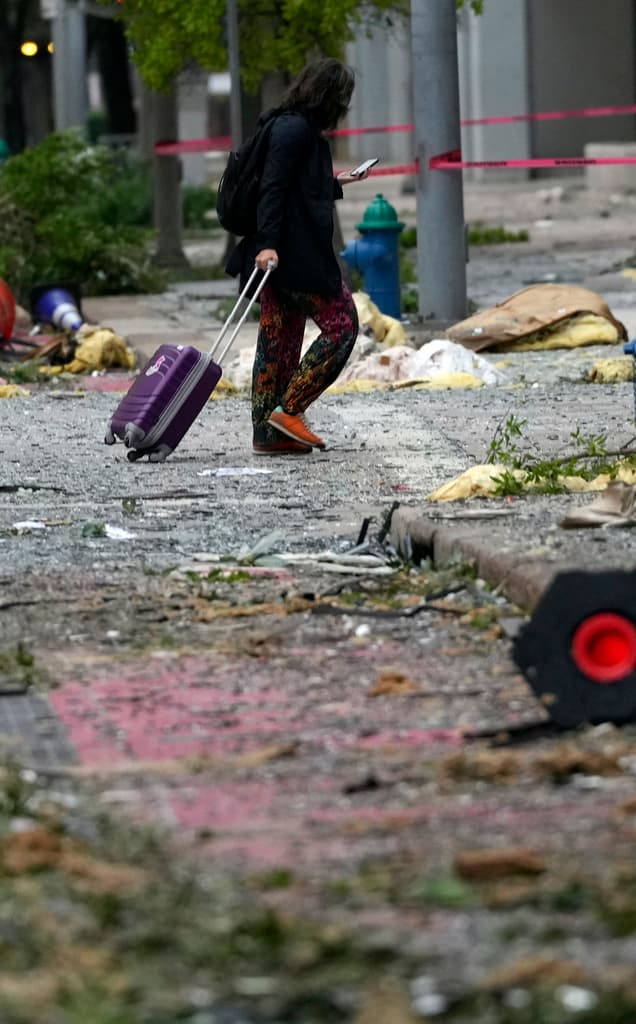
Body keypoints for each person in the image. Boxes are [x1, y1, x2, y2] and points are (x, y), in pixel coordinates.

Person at [226, 57, 373, 455]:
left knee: (279, 341)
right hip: (290, 254)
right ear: (329, 96)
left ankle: (268, 434)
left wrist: (337, 181)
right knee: (342, 324)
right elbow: (272, 190)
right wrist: (268, 243)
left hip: (279, 254)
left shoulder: (287, 123)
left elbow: (295, 186)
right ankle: (289, 410)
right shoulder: (294, 131)